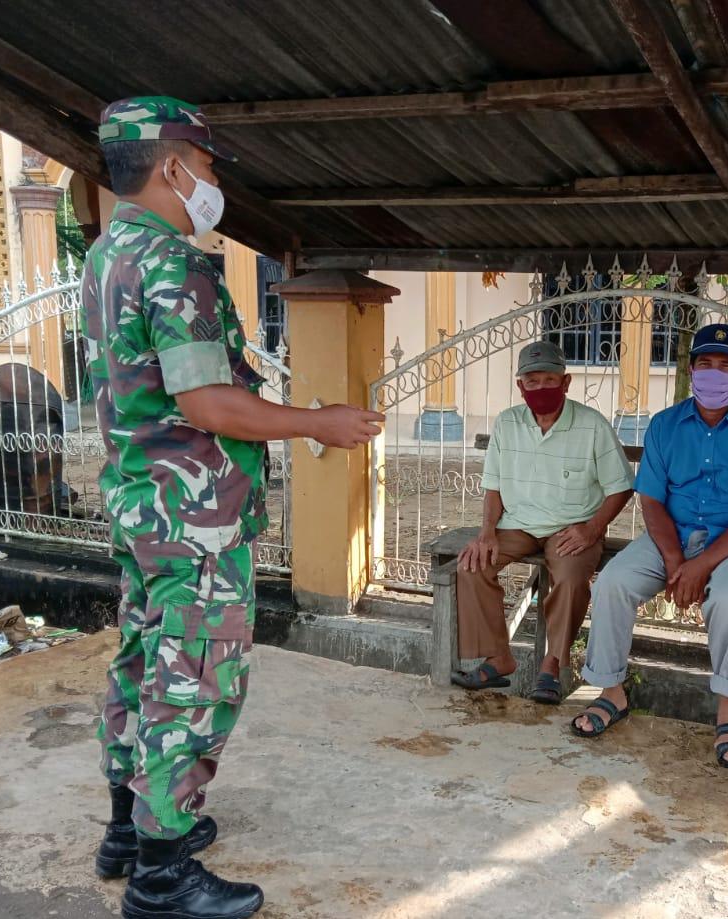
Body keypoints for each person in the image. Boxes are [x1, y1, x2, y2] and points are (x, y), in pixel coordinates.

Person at [84, 97, 383, 919]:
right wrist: (316, 422)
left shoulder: (109, 253)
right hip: (193, 518)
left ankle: (128, 826)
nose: (213, 180)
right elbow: (208, 401)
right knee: (196, 681)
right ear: (173, 162)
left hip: (140, 506)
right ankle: (162, 873)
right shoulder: (173, 261)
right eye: (209, 164)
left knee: (145, 661)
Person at [571, 324, 728, 768]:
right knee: (613, 581)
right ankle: (612, 691)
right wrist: (675, 558)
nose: (714, 374)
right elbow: (650, 498)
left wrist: (701, 566)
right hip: (669, 535)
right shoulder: (665, 426)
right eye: (705, 364)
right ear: (691, 370)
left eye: (725, 366)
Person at [453, 340, 634, 704]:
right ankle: (498, 658)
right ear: (520, 386)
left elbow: (621, 487)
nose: (540, 389)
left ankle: (552, 664)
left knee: (569, 578)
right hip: (517, 524)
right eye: (531, 382)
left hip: (572, 527)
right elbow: (493, 486)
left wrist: (592, 529)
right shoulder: (507, 423)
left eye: (549, 380)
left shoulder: (592, 426)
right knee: (471, 566)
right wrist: (486, 533)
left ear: (566, 383)